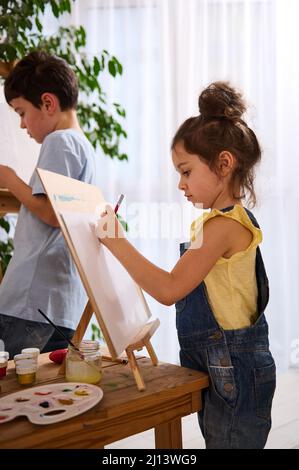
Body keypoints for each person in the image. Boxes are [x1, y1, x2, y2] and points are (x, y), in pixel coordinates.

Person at [94, 81, 276, 449]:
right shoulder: (220, 222)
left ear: (224, 164)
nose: (180, 183)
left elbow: (169, 289)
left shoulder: (223, 226)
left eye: (186, 171)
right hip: (223, 366)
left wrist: (116, 241)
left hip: (235, 370)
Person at [0, 51, 101, 357]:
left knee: (16, 397)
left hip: (32, 301)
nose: (21, 125)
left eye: (21, 112)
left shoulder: (59, 142)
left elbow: (51, 213)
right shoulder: (82, 145)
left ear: (48, 103)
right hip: (56, 303)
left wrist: (10, 178)